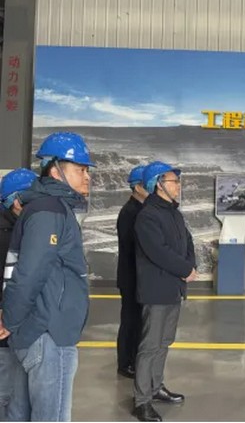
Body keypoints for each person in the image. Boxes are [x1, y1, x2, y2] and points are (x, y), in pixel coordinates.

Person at [0, 132, 95, 421]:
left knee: (20, 414)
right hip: (49, 332)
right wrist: (9, 319)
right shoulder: (50, 211)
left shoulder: (45, 208)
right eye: (80, 169)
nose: (87, 177)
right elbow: (29, 272)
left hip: (37, 329)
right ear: (55, 170)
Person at [133, 161, 197, 422]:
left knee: (164, 342)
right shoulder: (147, 216)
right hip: (156, 291)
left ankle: (155, 387)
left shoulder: (174, 213)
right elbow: (159, 252)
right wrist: (184, 269)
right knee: (149, 346)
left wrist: (190, 266)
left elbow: (187, 241)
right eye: (174, 181)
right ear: (159, 184)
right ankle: (142, 401)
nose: (178, 186)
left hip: (173, 289)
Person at [0, 168, 37, 421]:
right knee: (7, 395)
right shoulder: (8, 236)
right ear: (17, 202)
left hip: (12, 327)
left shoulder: (17, 230)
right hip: (6, 330)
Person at [116, 165, 149, 379]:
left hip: (139, 276)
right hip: (131, 276)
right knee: (131, 321)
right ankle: (126, 362)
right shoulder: (130, 212)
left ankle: (134, 359)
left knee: (139, 321)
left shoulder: (141, 210)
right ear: (137, 187)